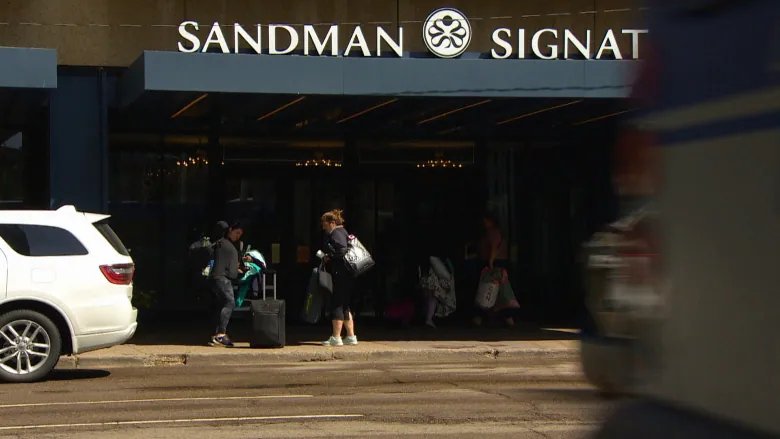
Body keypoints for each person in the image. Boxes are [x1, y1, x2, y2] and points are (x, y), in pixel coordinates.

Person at [320, 209, 358, 346]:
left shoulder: (336, 233)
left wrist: (329, 256)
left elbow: (342, 250)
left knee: (337, 303)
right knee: (345, 305)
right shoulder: (344, 232)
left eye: (324, 224)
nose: (323, 227)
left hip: (340, 274)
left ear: (332, 223)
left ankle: (336, 337)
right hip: (347, 274)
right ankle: (351, 336)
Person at [474, 213, 519, 327]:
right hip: (495, 263)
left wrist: (490, 262)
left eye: (486, 221)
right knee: (496, 291)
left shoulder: (493, 232)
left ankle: (481, 317)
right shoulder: (492, 232)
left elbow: (494, 247)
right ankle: (505, 319)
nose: (484, 223)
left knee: (489, 290)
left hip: (494, 264)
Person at [208, 221, 245, 347]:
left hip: (215, 278)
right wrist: (238, 270)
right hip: (222, 278)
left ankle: (216, 334)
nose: (238, 236)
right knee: (230, 302)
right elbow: (233, 272)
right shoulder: (227, 245)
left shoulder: (220, 244)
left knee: (221, 304)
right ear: (230, 230)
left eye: (240, 234)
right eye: (237, 232)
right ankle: (221, 335)